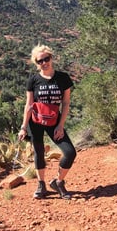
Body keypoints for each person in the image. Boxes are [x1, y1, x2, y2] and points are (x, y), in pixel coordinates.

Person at [18, 44, 76, 200]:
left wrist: (61, 125)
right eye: (39, 61)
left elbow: (66, 103)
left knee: (70, 152)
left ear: (51, 58)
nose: (44, 63)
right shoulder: (33, 80)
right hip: (35, 121)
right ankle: (41, 185)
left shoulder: (63, 78)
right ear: (36, 64)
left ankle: (58, 182)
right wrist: (23, 127)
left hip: (54, 120)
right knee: (39, 152)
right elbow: (29, 104)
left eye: (46, 59)